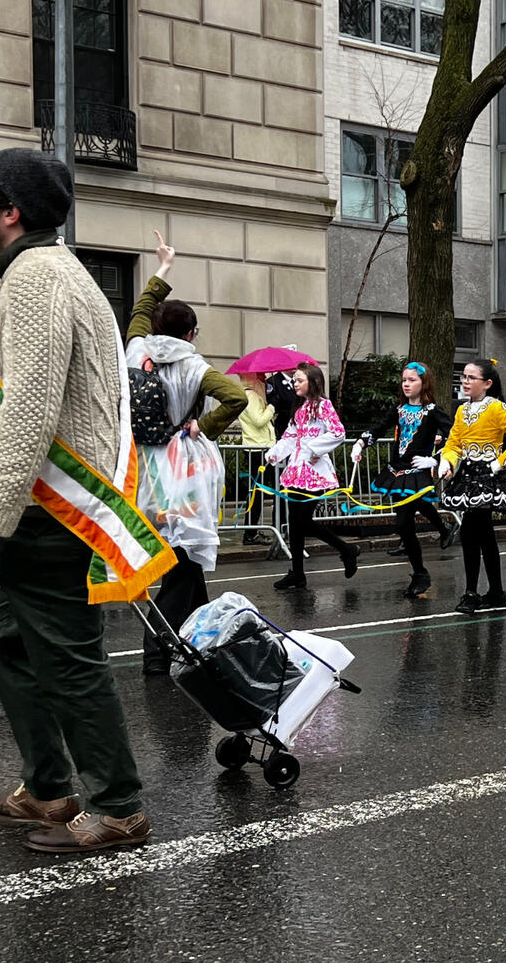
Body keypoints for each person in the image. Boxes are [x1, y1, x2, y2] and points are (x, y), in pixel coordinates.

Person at [0, 148, 159, 853]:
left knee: (69, 660)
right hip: (50, 506)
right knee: (5, 637)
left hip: (50, 512)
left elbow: (31, 408)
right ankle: (48, 787)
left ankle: (119, 806)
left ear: (13, 211)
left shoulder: (39, 275)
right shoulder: (50, 270)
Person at [126, 234, 249, 674]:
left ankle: (194, 646)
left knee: (186, 564)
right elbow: (236, 398)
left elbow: (141, 310)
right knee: (181, 564)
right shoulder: (195, 366)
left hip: (143, 473)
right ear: (190, 332)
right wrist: (204, 425)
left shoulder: (137, 349)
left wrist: (163, 268)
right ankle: (158, 654)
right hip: (184, 474)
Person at [352, 361, 453, 599]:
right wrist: (360, 443)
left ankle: (420, 573)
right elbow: (378, 428)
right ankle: (443, 529)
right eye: (404, 380)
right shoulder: (399, 409)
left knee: (402, 523)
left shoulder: (433, 411)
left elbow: (455, 435)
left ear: (424, 383)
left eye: (412, 380)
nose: (406, 384)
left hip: (417, 471)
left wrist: (436, 460)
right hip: (396, 471)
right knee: (413, 512)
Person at [436, 359, 506, 613]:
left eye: (470, 378)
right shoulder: (461, 410)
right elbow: (454, 442)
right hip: (466, 476)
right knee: (481, 534)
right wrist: (448, 463)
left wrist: (499, 464)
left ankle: (473, 592)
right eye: (463, 377)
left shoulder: (496, 408)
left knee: (472, 532)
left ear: (487, 383)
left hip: (487, 477)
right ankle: (493, 592)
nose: (465, 382)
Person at [266, 362, 358, 591]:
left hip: (314, 470)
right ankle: (297, 572)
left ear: (313, 382)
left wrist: (314, 448)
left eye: (299, 380)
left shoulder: (324, 406)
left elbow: (338, 432)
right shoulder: (299, 408)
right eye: (294, 380)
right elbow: (290, 434)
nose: (295, 383)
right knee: (295, 523)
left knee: (303, 520)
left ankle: (346, 550)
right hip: (296, 468)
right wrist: (275, 453)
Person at [235, 371, 278, 543]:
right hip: (258, 450)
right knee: (258, 493)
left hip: (261, 448)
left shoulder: (253, 396)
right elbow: (259, 420)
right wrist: (271, 408)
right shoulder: (250, 396)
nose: (265, 381)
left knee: (260, 492)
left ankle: (253, 532)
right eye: (261, 378)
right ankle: (251, 533)